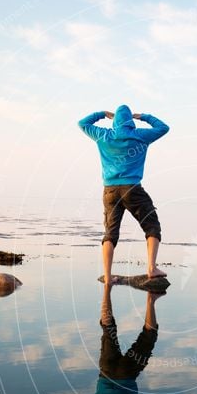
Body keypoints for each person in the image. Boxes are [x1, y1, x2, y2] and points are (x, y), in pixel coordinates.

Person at [78, 104, 170, 285]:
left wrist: (102, 114)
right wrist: (143, 116)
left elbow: (82, 123)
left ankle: (107, 275)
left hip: (110, 190)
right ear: (130, 120)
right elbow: (163, 128)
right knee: (152, 226)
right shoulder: (140, 136)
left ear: (115, 120)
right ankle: (151, 269)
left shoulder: (104, 136)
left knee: (110, 233)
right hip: (132, 189)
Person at [71, 283, 161, 394]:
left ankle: (150, 300)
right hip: (106, 371)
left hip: (127, 374)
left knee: (149, 336)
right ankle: (107, 288)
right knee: (108, 329)